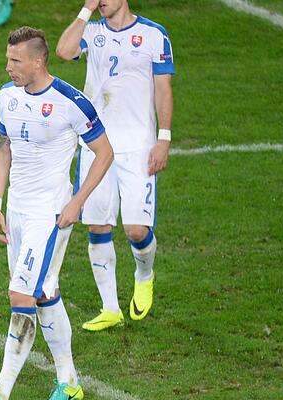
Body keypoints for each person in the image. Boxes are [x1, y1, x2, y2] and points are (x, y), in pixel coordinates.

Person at [0, 26, 114, 400]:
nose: (8, 66)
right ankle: (69, 381)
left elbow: (104, 152)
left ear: (38, 60)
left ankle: (0, 394)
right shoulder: (6, 97)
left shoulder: (69, 101)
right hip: (18, 212)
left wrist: (78, 201)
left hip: (51, 212)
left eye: (15, 60)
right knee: (44, 291)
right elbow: (2, 148)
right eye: (7, 59)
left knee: (20, 295)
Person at [56, 0, 174, 331]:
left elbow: (164, 89)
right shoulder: (91, 32)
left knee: (136, 229)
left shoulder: (154, 35)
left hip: (138, 146)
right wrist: (86, 10)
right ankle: (110, 308)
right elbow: (63, 52)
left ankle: (144, 273)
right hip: (97, 145)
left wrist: (163, 138)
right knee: (97, 225)